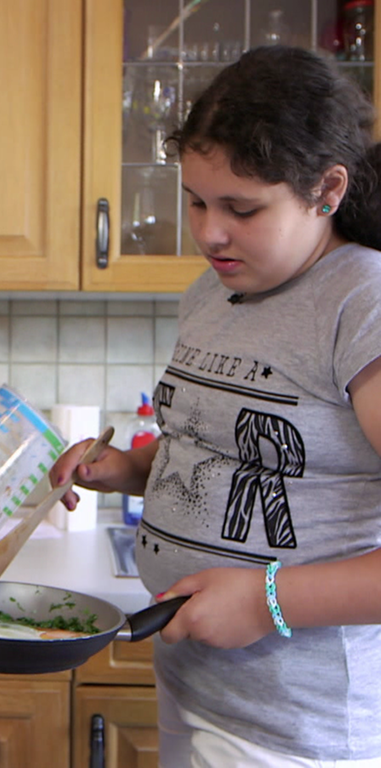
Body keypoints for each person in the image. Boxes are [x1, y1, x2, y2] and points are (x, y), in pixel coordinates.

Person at [51, 45, 381, 766]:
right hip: (197, 691)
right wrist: (129, 469)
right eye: (196, 200)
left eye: (242, 208)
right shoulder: (213, 292)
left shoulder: (363, 301)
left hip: (305, 732)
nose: (209, 232)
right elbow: (222, 447)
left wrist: (268, 601)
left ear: (326, 190)